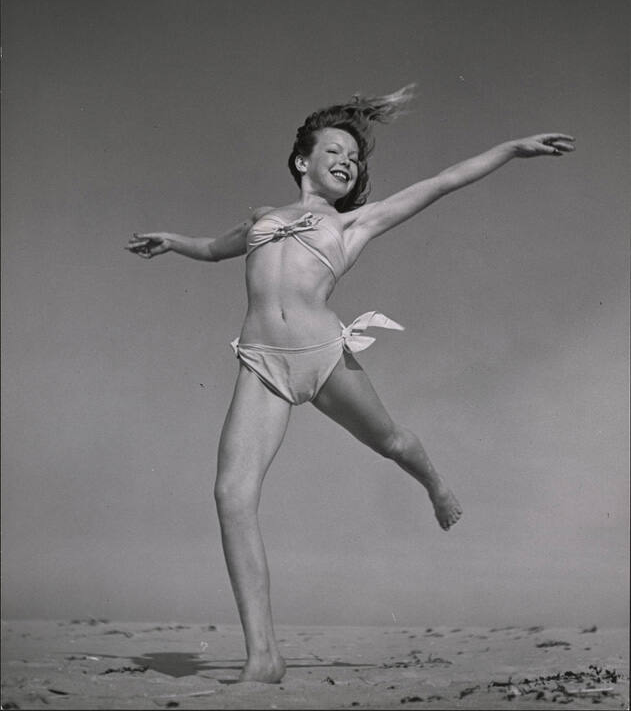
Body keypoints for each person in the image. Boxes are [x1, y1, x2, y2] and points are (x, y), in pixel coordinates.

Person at [126, 85, 574, 683]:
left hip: (322, 355)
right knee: (231, 496)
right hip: (261, 364)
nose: (347, 162)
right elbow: (213, 249)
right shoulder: (262, 218)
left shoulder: (355, 223)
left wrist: (512, 148)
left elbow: (441, 183)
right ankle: (264, 656)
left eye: (355, 158)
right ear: (301, 161)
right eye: (334, 151)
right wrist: (172, 242)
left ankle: (435, 483)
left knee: (392, 442)